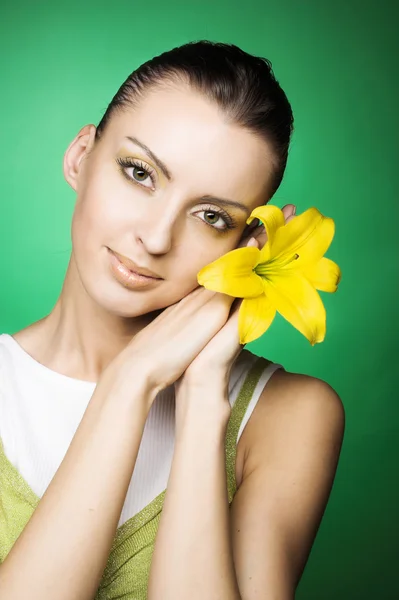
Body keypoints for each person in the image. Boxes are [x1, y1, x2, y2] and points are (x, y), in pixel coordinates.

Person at [0, 40, 345, 599]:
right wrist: (129, 380)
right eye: (139, 172)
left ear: (245, 246)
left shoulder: (288, 415)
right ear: (81, 156)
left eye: (211, 216)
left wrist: (204, 397)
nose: (156, 237)